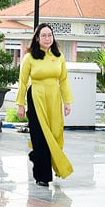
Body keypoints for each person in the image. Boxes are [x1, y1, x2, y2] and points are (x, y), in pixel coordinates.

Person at [15, 23, 74, 187]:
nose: (47, 38)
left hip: (54, 98)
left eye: (50, 35)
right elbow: (22, 82)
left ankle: (40, 157)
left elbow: (63, 80)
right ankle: (42, 175)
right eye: (44, 35)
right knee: (40, 136)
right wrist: (20, 104)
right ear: (37, 38)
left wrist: (67, 101)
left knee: (55, 133)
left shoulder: (59, 56)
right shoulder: (30, 57)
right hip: (36, 97)